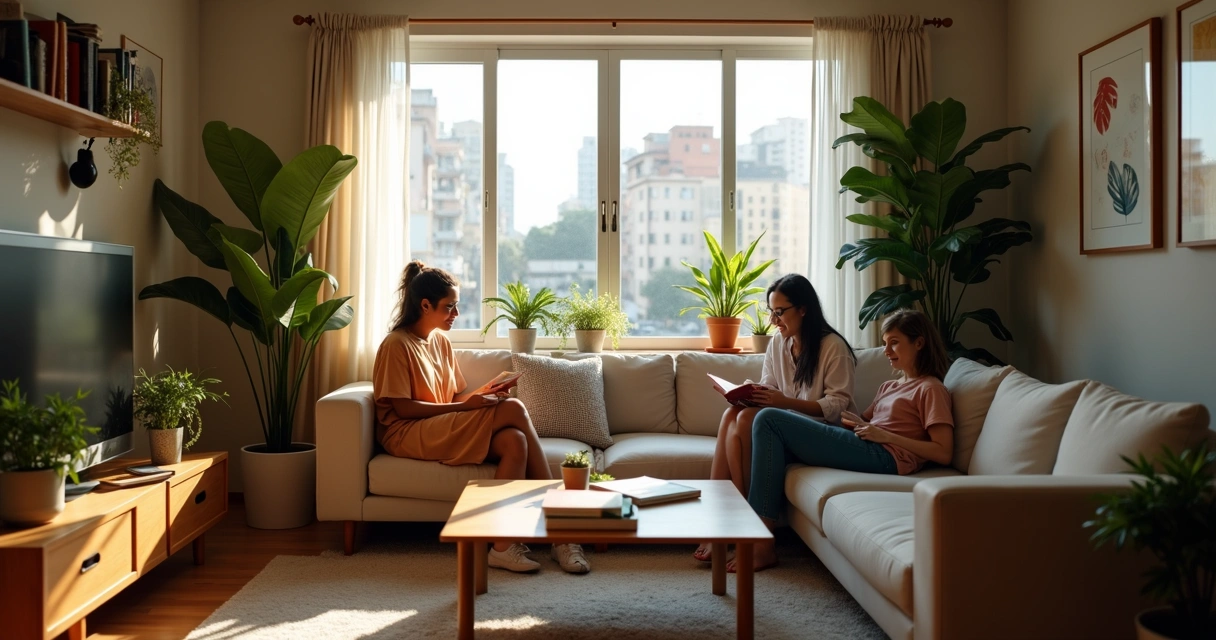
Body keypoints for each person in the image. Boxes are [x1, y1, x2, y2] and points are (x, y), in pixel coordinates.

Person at [372, 260, 589, 574]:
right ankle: (563, 532)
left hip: (436, 424)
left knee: (514, 442)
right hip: (407, 431)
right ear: (424, 305)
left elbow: (453, 397)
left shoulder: (441, 343)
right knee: (514, 409)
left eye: (457, 306)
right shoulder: (396, 345)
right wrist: (469, 406)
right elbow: (405, 409)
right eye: (450, 307)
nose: (456, 315)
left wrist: (484, 397)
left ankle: (501, 546)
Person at [735, 308, 954, 573]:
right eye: (885, 343)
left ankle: (762, 545)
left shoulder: (931, 389)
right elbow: (862, 420)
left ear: (919, 343)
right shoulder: (891, 386)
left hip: (887, 456)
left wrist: (884, 435)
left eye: (894, 342)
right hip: (867, 443)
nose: (887, 351)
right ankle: (748, 531)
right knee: (769, 432)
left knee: (769, 418)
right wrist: (856, 423)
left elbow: (943, 452)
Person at [694, 274, 858, 563]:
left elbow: (837, 406)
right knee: (734, 413)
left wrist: (783, 402)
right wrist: (750, 393)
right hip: (781, 426)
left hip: (823, 433)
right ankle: (720, 518)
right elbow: (771, 384)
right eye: (771, 311)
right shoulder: (779, 344)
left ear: (803, 309)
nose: (773, 320)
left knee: (746, 421)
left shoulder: (833, 347)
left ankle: (744, 526)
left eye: (779, 312)